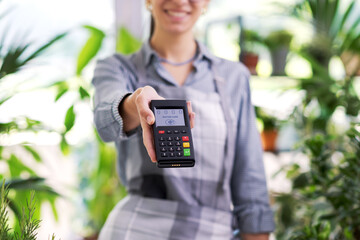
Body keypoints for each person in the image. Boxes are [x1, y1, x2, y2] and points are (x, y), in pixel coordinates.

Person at [92, 0, 275, 239]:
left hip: (213, 231)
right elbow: (105, 121)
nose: (179, 1)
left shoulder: (234, 77)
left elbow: (249, 175)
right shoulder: (117, 68)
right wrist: (135, 104)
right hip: (136, 229)